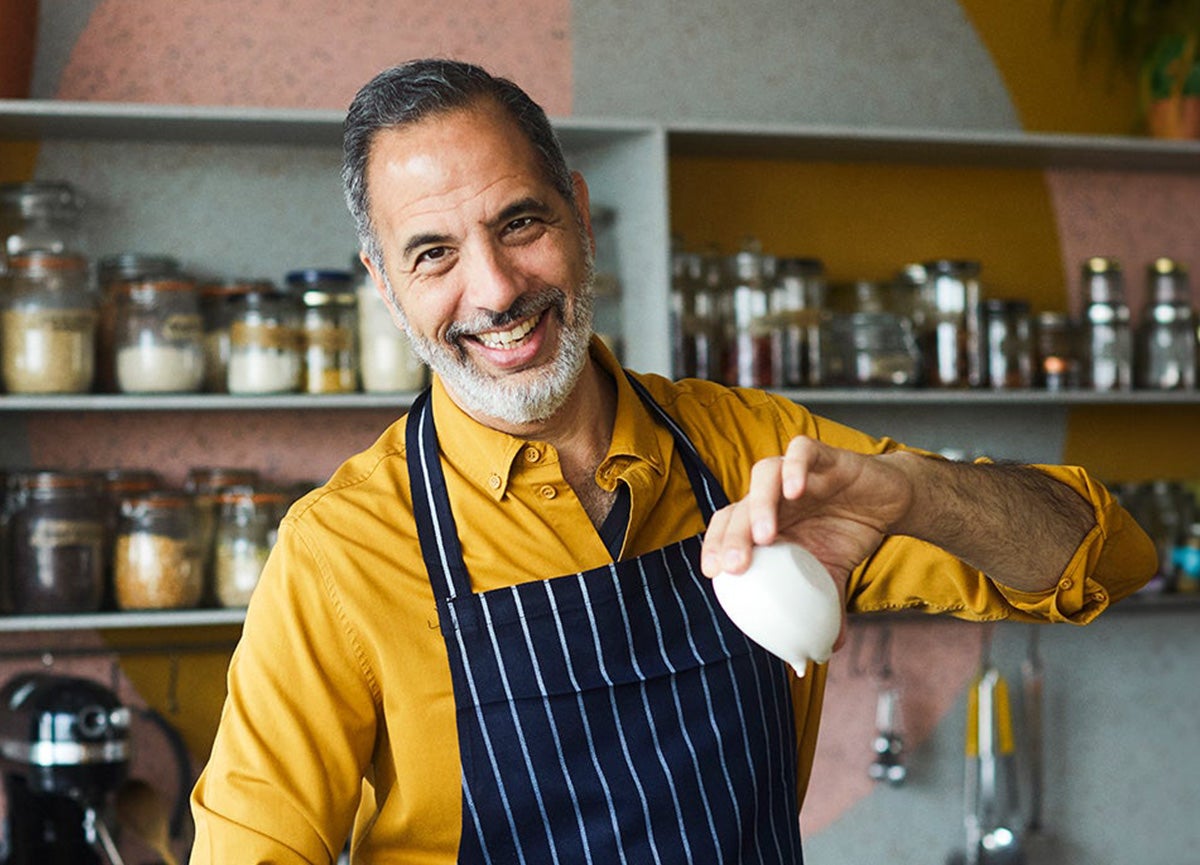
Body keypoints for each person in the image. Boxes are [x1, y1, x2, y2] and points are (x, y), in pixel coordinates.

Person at [188, 58, 1156, 864]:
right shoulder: (338, 555)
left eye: (519, 222)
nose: (494, 289)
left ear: (577, 212)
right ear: (387, 288)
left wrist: (912, 491)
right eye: (434, 253)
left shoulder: (757, 454)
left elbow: (1105, 558)